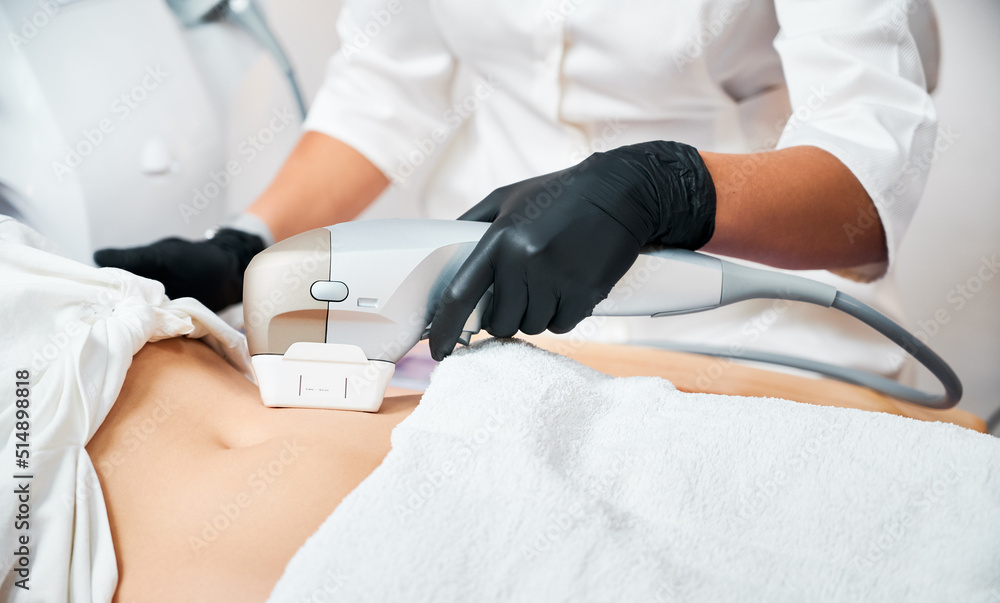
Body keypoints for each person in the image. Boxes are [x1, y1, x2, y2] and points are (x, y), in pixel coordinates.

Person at [95, 1, 940, 371]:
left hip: (742, 296)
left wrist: (670, 187)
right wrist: (243, 242)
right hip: (487, 299)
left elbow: (865, 184)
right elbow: (385, 90)